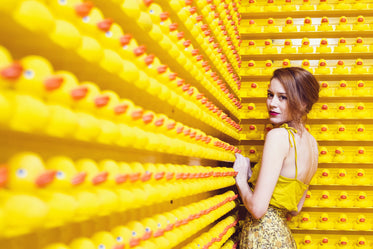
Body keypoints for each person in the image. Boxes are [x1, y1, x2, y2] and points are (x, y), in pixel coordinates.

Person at [234, 67, 320, 248]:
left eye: (283, 97)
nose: (272, 103)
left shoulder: (278, 137)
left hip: (262, 235)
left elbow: (258, 209)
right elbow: (295, 208)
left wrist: (241, 180)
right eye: (270, 94)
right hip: (283, 239)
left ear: (303, 103)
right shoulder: (312, 144)